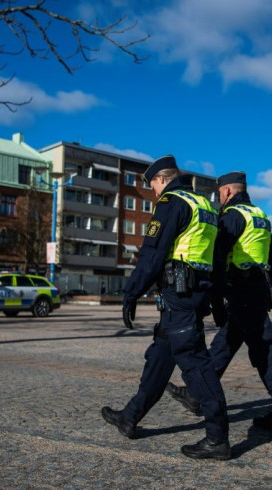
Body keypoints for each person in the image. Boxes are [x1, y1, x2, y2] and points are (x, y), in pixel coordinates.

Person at [101, 155, 231, 460]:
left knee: (196, 365)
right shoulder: (205, 205)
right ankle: (130, 417)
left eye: (152, 187)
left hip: (179, 297)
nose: (153, 193)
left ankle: (217, 438)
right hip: (193, 294)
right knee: (161, 356)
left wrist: (131, 293)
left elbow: (153, 253)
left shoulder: (172, 202)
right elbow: (216, 258)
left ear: (161, 179)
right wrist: (216, 299)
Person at [166, 171, 272, 432]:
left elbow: (218, 259)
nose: (220, 199)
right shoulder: (260, 215)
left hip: (241, 292)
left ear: (226, 192)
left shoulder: (233, 217)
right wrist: (263, 285)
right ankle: (195, 395)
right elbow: (271, 261)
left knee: (264, 353)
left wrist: (214, 297)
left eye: (219, 194)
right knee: (223, 345)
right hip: (255, 292)